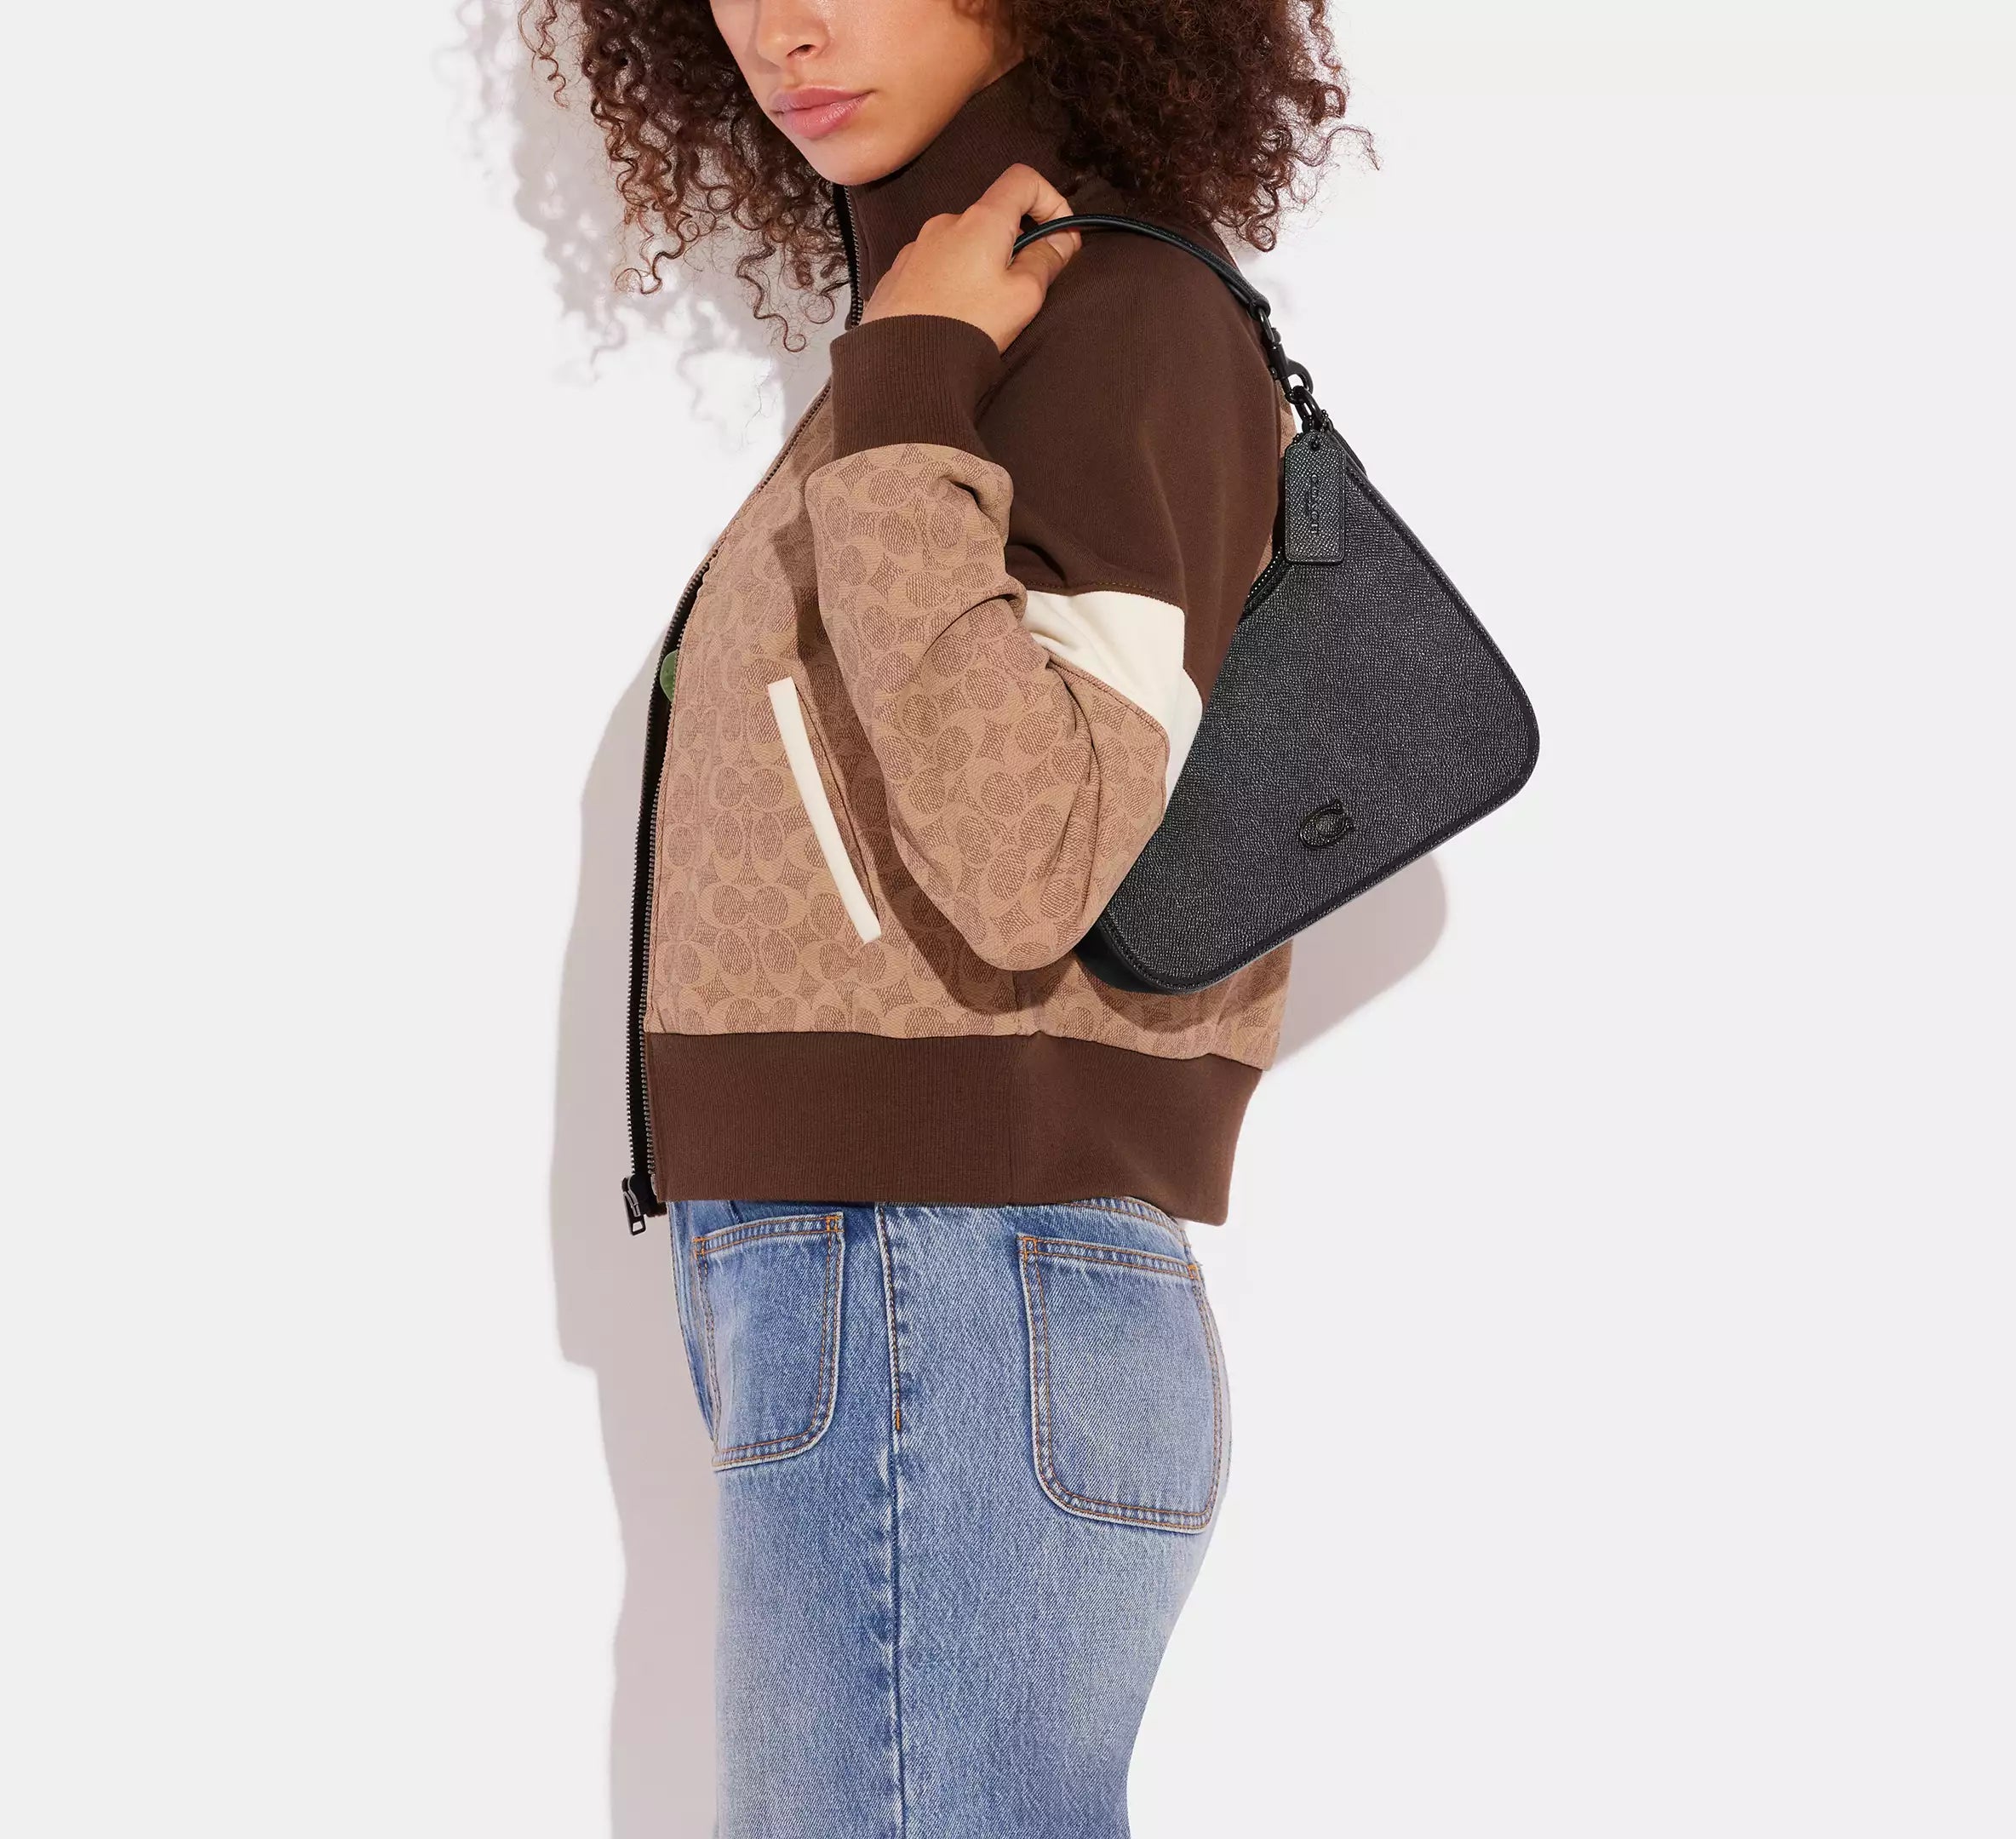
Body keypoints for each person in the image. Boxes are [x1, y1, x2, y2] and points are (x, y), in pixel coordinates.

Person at [528, 1, 1364, 1829]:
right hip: (890, 1268)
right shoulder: (974, 323)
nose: (783, 27)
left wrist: (908, 386)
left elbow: (1029, 851)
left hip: (942, 1266)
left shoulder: (1115, 318)